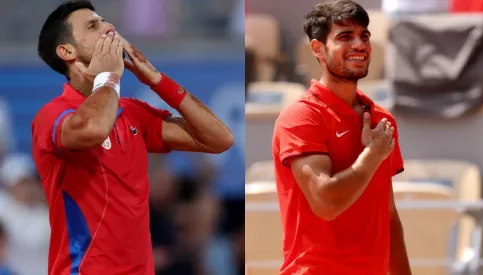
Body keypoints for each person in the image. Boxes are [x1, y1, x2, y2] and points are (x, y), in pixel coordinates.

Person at [32, 1, 234, 275]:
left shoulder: (132, 113)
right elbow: (93, 129)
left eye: (105, 21)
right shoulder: (52, 115)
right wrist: (108, 77)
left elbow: (219, 139)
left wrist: (158, 81)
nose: (109, 28)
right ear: (67, 51)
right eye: (94, 26)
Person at [272, 1, 411, 274]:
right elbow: (326, 203)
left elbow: (389, 215)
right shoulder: (300, 117)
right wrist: (371, 156)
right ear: (318, 49)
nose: (359, 44)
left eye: (365, 36)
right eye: (345, 37)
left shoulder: (381, 118)